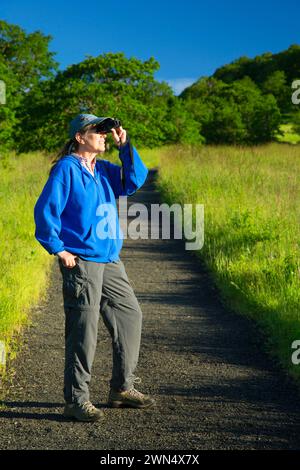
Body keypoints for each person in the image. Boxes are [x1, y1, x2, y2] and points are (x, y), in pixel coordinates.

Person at [34, 113, 155, 422]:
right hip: (81, 260)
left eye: (106, 130)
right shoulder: (66, 169)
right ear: (79, 137)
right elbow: (46, 210)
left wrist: (125, 147)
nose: (104, 134)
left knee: (130, 315)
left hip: (109, 259)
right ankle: (76, 400)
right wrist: (59, 249)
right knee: (83, 331)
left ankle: (122, 388)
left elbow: (133, 181)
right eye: (97, 130)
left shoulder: (101, 169)